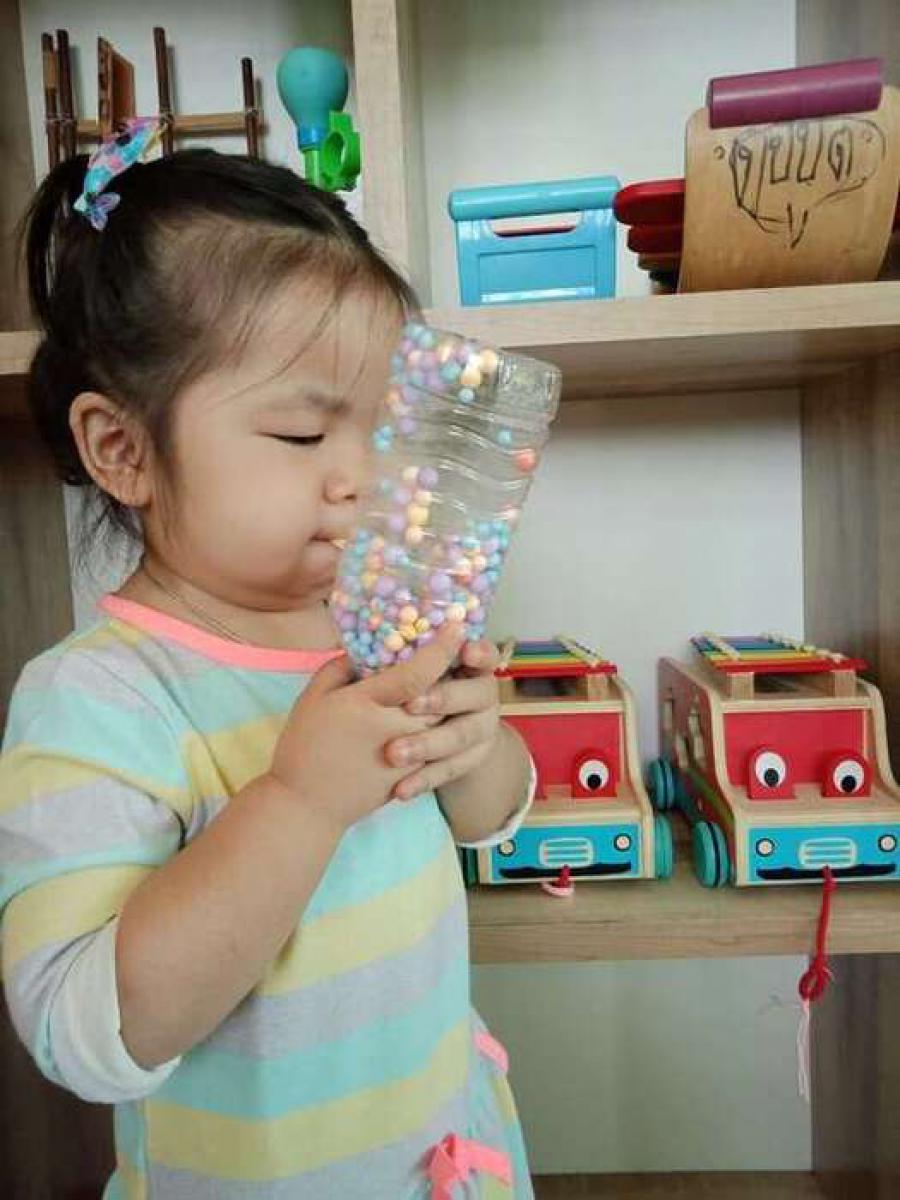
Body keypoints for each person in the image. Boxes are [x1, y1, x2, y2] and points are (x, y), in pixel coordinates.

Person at [0, 120, 535, 1198]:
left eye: (383, 431)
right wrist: (300, 801)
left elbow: (493, 822)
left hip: (444, 1155)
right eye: (302, 436)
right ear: (123, 449)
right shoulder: (99, 698)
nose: (362, 478)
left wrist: (475, 747)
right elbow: (83, 1032)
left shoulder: (367, 627)